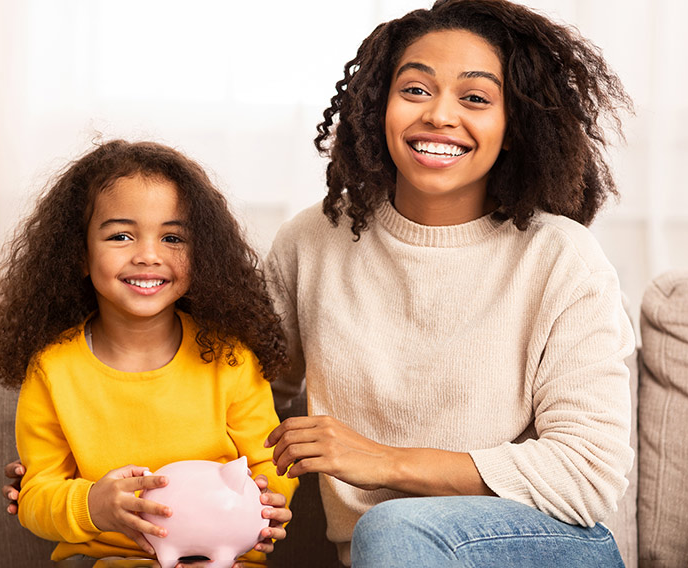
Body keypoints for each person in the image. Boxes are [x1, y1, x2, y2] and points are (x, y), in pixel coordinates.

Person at [260, 0, 634, 566]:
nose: (438, 115)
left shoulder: (562, 258)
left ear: (512, 129)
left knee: (394, 529)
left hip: (538, 546)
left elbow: (587, 475)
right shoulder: (312, 241)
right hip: (376, 554)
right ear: (378, 106)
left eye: (476, 98)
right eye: (415, 90)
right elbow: (251, 396)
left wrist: (386, 462)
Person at [0, 140, 296, 568]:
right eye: (121, 236)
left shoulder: (229, 358)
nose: (148, 255)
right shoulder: (54, 369)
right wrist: (93, 504)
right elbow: (36, 494)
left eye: (172, 237)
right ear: (79, 254)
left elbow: (268, 462)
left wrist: (266, 504)